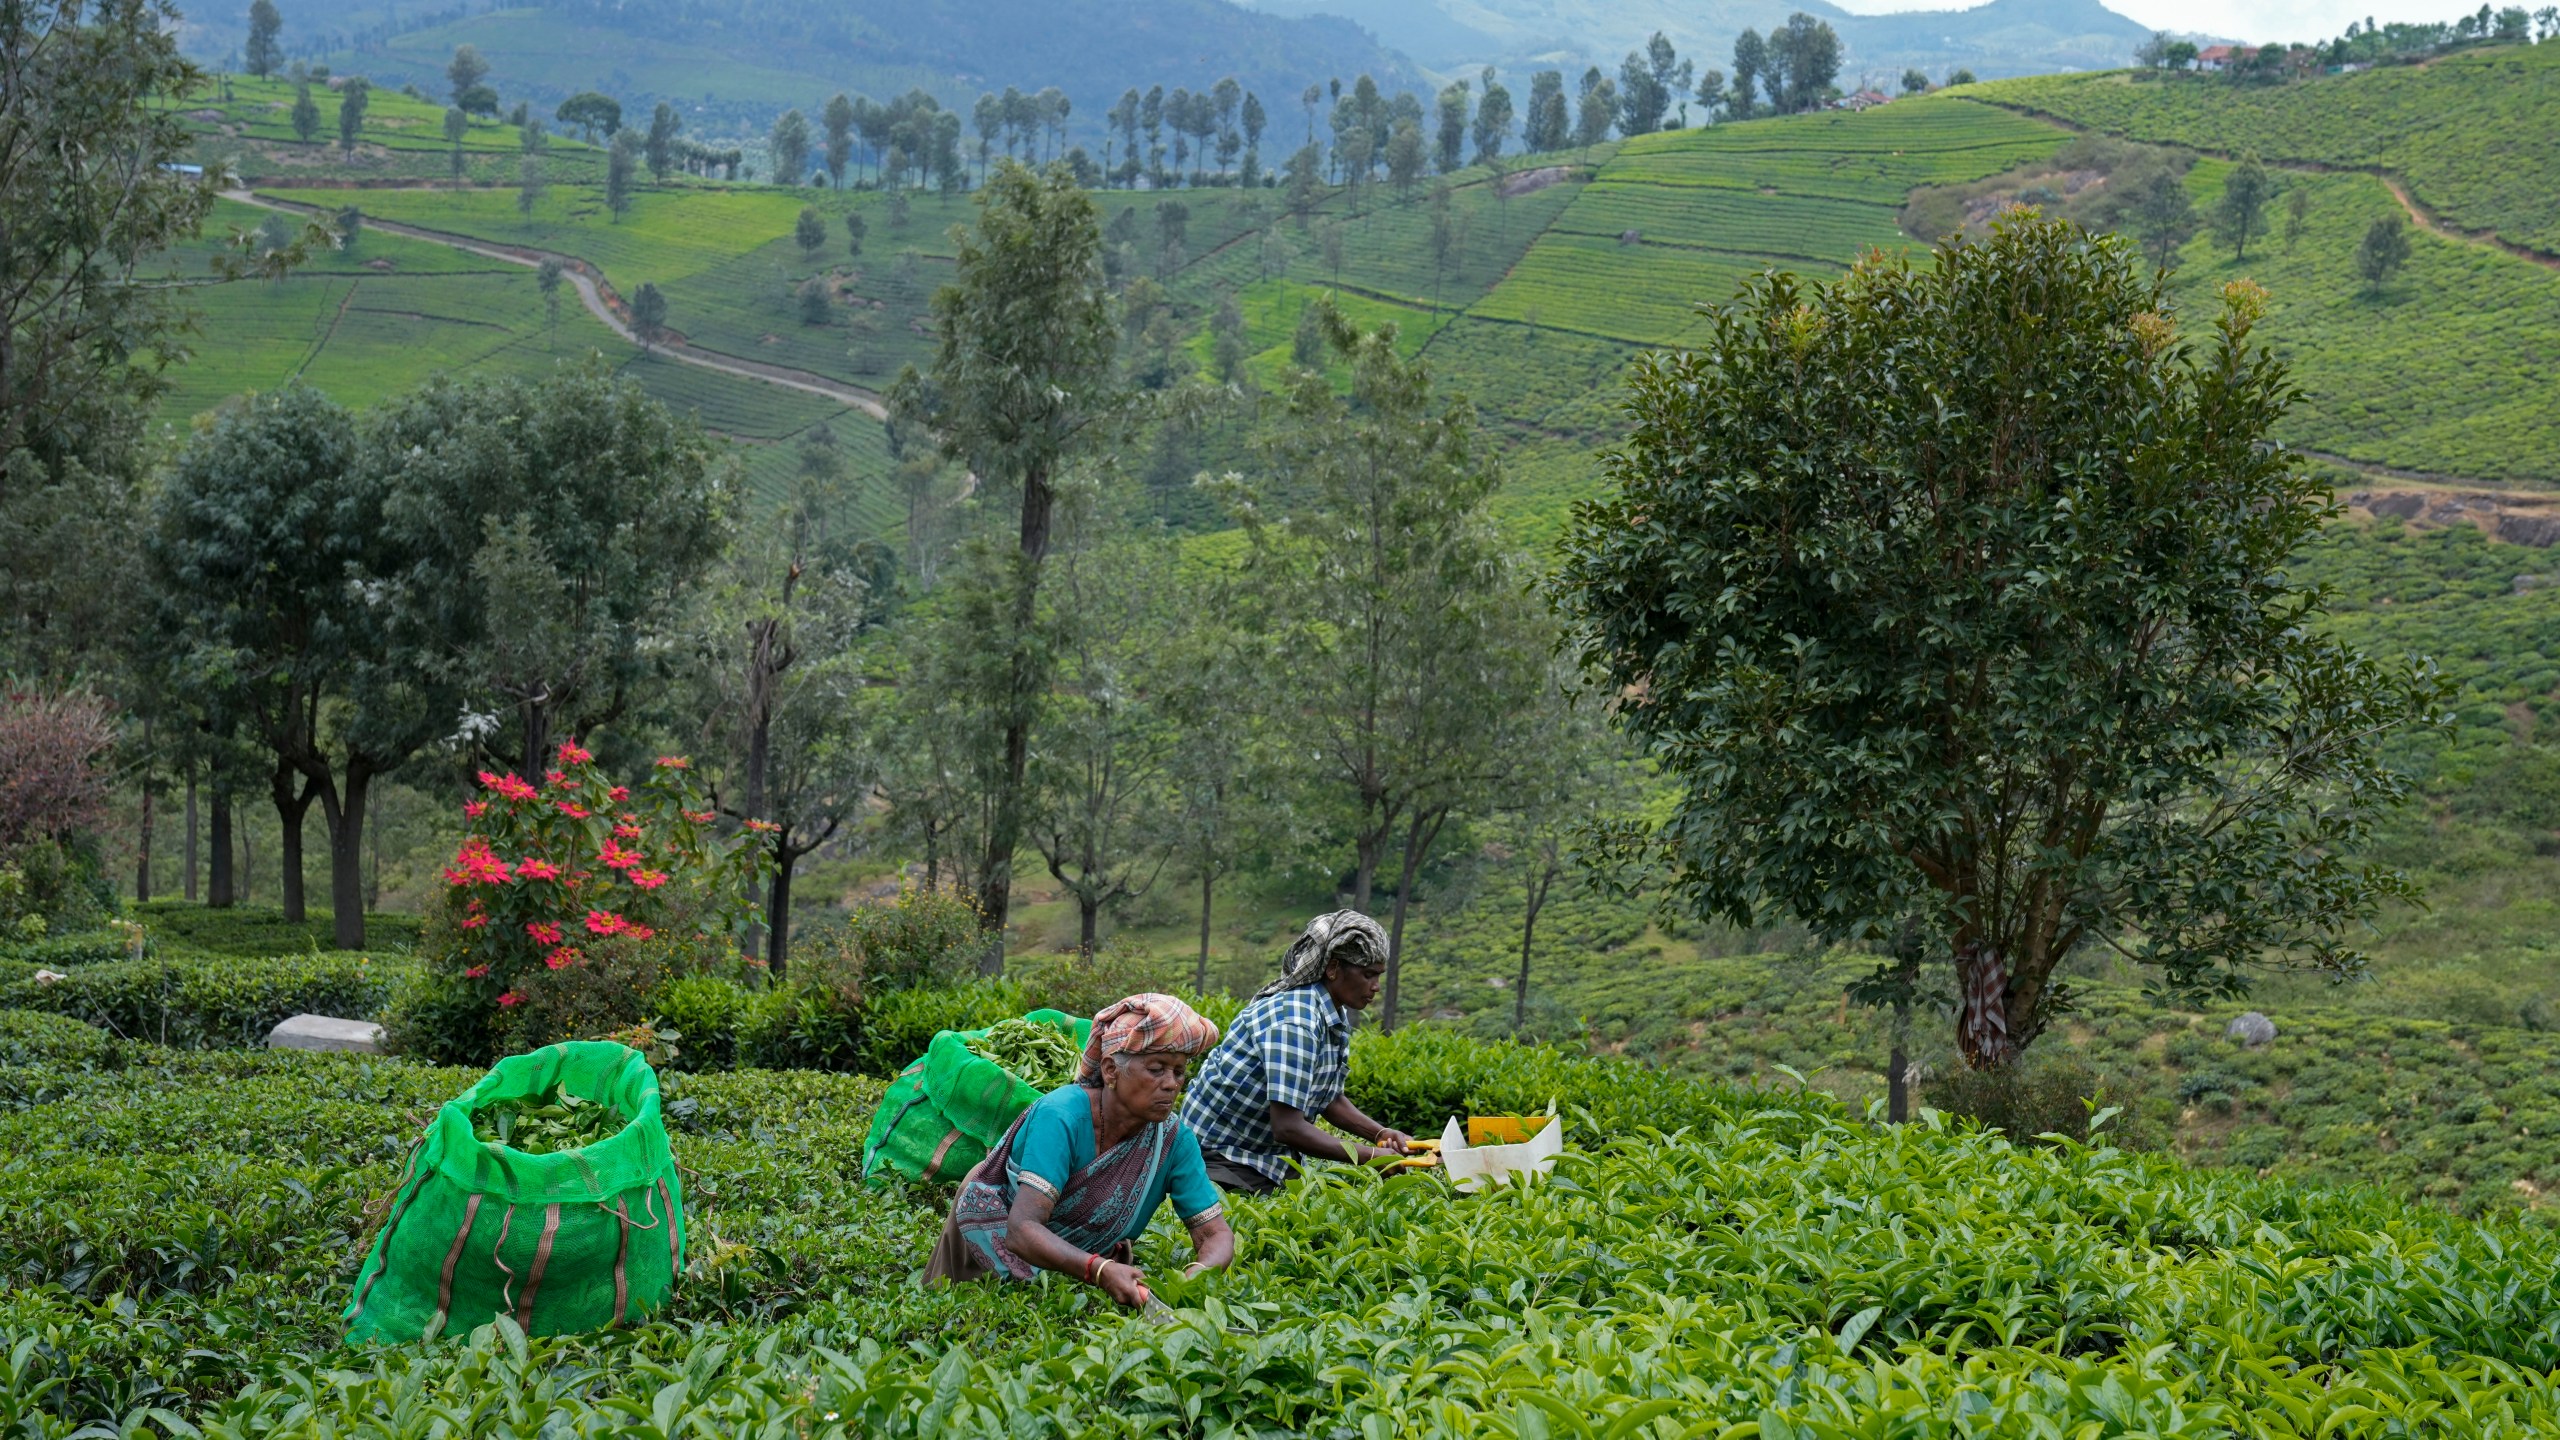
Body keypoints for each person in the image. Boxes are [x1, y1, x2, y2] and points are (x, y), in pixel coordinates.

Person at [924, 993, 1233, 1308]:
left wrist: (1195, 1276)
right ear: (1111, 1071)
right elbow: (1022, 1230)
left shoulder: (1174, 1141)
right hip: (985, 1251)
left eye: (1178, 1072)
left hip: (1076, 1282)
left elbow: (1215, 1235)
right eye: (1157, 1069)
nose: (1171, 1084)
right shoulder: (1062, 1116)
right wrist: (1099, 1269)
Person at [1181, 909, 1413, 1194]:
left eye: (1378, 976)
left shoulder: (1329, 1012)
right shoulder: (1295, 1021)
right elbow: (1288, 1127)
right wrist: (1371, 1157)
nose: (1376, 986)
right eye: (1368, 975)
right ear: (1333, 968)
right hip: (1220, 1157)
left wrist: (1379, 1134)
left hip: (1265, 1157)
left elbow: (1328, 1098)